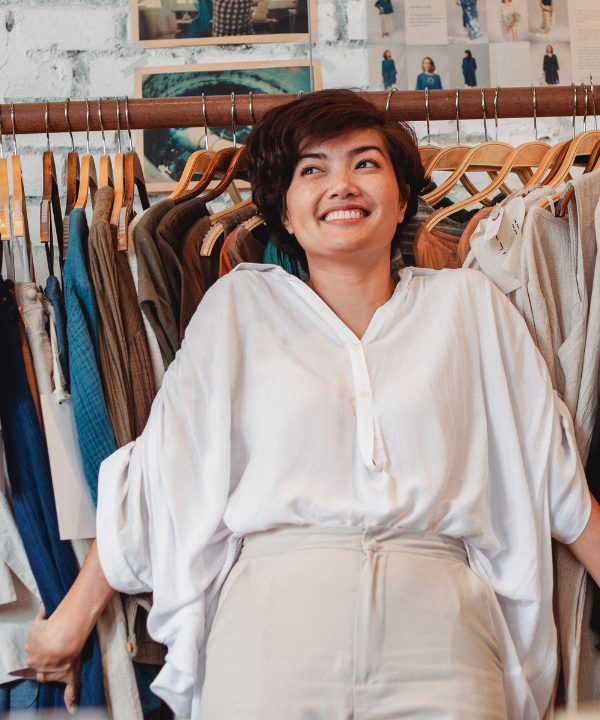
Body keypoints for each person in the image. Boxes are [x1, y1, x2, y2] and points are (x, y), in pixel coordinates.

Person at [23, 89, 600, 720]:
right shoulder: (239, 310)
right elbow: (165, 475)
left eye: (366, 163)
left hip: (441, 632)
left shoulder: (471, 306)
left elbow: (558, 485)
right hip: (274, 632)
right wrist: (67, 623)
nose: (342, 185)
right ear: (286, 215)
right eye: (312, 170)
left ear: (402, 197)